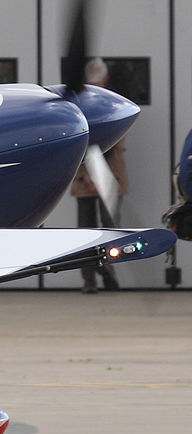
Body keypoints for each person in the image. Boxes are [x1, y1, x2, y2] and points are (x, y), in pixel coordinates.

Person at [70, 58, 129, 292]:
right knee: (87, 230)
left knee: (108, 228)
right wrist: (87, 175)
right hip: (87, 177)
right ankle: (91, 278)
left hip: (108, 176)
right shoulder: (77, 105)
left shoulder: (114, 104)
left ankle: (107, 274)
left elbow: (117, 139)